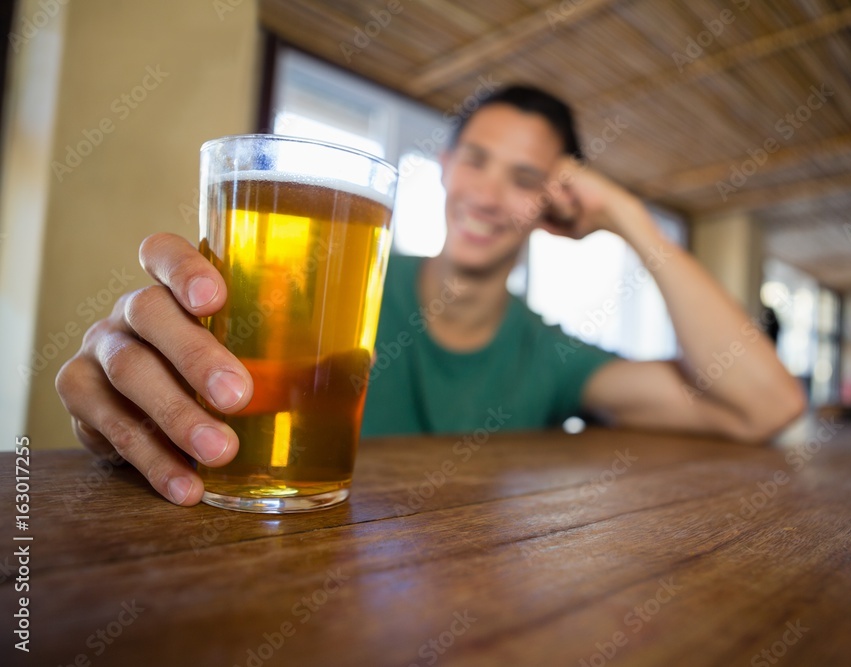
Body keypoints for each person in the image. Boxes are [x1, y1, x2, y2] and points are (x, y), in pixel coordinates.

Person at [55, 85, 805, 507]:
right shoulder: (321, 291)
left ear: (555, 202)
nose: (487, 194)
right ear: (443, 168)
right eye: (476, 161)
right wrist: (134, 397)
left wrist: (629, 220)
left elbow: (766, 405)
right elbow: (206, 387)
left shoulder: (549, 356)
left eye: (524, 177)